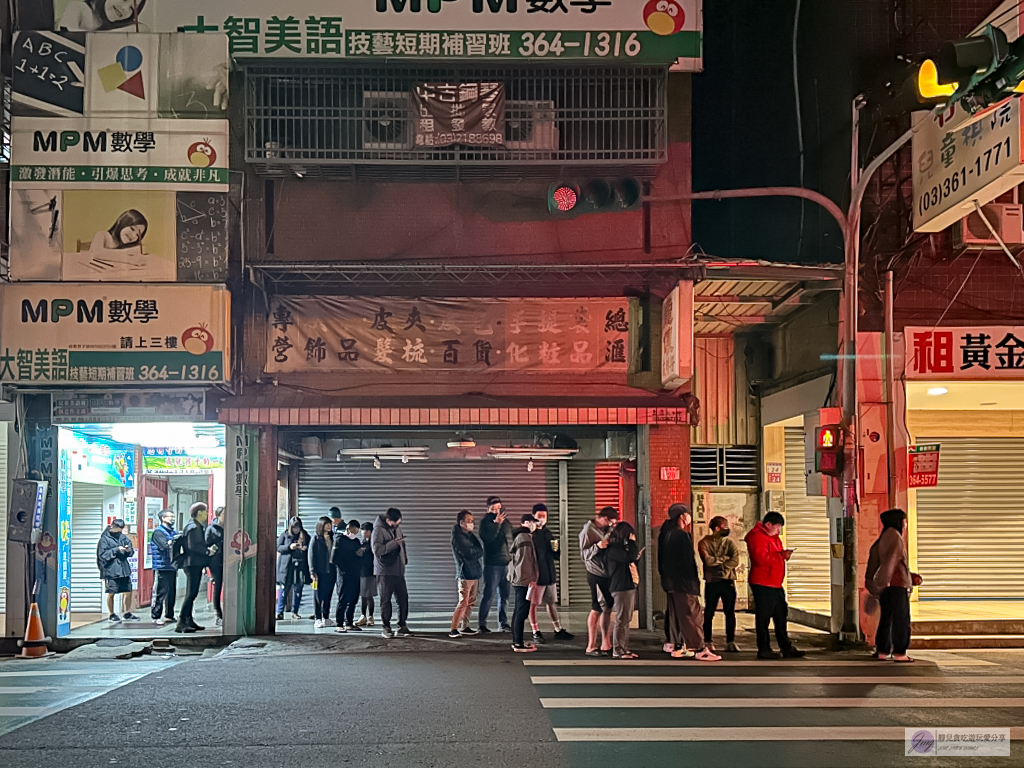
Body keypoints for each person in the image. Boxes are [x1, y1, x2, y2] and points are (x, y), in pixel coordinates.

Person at [659, 504, 720, 661]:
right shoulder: (681, 535)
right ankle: (699, 648)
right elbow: (687, 563)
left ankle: (678, 645)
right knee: (691, 614)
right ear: (681, 516)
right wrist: (693, 582)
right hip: (684, 583)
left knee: (676, 615)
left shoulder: (665, 534)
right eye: (687, 514)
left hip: (670, 583)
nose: (688, 517)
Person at [745, 511, 805, 660]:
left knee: (781, 615)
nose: (779, 531)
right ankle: (764, 648)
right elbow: (761, 559)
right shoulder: (757, 537)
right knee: (764, 617)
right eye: (777, 527)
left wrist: (783, 555)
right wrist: (780, 556)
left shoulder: (774, 538)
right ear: (768, 525)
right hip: (762, 582)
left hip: (775, 582)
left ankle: (786, 647)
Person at [867, 508, 922, 663]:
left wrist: (873, 582)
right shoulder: (895, 536)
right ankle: (899, 652)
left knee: (887, 619)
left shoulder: (884, 536)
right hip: (896, 585)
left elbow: (875, 559)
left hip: (887, 586)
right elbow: (891, 563)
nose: (905, 524)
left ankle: (883, 651)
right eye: (904, 520)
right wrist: (885, 582)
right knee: (901, 620)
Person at [529, 504, 573, 643]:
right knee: (533, 604)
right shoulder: (530, 534)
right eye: (539, 516)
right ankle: (535, 631)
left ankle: (558, 629)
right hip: (537, 575)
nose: (542, 519)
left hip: (550, 574)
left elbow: (555, 555)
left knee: (551, 603)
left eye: (544, 516)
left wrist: (556, 550)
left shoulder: (548, 533)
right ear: (533, 516)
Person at [698, 515, 741, 652]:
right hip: (712, 582)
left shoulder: (729, 543)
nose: (728, 529)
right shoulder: (704, 542)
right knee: (709, 612)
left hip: (728, 581)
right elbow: (708, 561)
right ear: (717, 528)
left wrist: (720, 564)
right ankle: (708, 641)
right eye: (725, 526)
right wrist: (724, 560)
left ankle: (730, 641)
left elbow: (735, 561)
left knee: (730, 612)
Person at [579, 506, 619, 656]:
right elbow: (583, 555)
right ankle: (590, 646)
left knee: (607, 607)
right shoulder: (587, 531)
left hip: (607, 573)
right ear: (602, 518)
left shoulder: (606, 530)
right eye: (609, 522)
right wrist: (597, 546)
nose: (610, 526)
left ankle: (605, 642)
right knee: (596, 608)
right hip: (595, 574)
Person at [372, 508, 410, 639]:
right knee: (385, 600)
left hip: (399, 570)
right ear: (388, 520)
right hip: (385, 571)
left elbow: (402, 545)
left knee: (403, 598)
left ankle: (402, 625)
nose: (398, 525)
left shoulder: (396, 528)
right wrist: (394, 543)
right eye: (395, 523)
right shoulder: (378, 530)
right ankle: (386, 627)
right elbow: (377, 550)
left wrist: (404, 559)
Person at [606, 521, 642, 659]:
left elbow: (630, 559)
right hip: (621, 587)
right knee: (622, 619)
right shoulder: (614, 549)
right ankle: (618, 650)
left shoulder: (619, 549)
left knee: (626, 619)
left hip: (627, 586)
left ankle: (623, 648)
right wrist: (632, 543)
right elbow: (629, 557)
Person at [175, 503, 212, 634]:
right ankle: (181, 622)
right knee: (191, 593)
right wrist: (208, 552)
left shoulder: (194, 525)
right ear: (199, 512)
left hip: (194, 563)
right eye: (205, 511)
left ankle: (188, 620)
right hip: (192, 563)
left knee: (192, 593)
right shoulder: (194, 527)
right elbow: (193, 546)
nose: (207, 514)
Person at [478, 496, 513, 633]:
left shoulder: (505, 522)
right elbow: (488, 539)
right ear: (488, 509)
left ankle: (503, 623)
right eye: (494, 509)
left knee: (504, 596)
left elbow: (510, 538)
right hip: (492, 564)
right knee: (489, 594)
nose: (497, 511)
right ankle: (482, 624)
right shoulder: (485, 522)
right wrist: (496, 523)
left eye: (499, 508)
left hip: (506, 562)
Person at [96, 518, 139, 623]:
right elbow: (102, 555)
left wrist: (128, 550)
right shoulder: (104, 539)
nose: (119, 531)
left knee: (128, 591)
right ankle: (111, 614)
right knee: (111, 592)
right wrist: (116, 549)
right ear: (112, 527)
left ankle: (127, 612)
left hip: (124, 568)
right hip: (111, 569)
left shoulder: (123, 538)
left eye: (121, 529)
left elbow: (131, 551)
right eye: (118, 529)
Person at [449, 510, 484, 638]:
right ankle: (454, 628)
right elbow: (469, 552)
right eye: (469, 521)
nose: (471, 523)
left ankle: (465, 626)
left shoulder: (469, 535)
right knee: (463, 601)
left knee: (471, 601)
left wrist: (477, 551)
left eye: (472, 521)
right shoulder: (457, 537)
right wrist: (477, 551)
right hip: (465, 573)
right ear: (461, 522)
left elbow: (479, 549)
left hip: (475, 572)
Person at [508, 514, 540, 653]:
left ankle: (517, 640)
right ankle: (518, 643)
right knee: (522, 611)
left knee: (518, 610)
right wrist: (530, 580)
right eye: (533, 522)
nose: (535, 525)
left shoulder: (521, 537)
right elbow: (524, 562)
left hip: (520, 579)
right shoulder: (525, 538)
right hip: (523, 580)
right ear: (526, 523)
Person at [276, 516, 311, 620]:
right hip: (287, 567)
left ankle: (295, 611)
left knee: (298, 589)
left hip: (300, 566)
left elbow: (310, 548)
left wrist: (304, 548)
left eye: (298, 527)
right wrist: (289, 547)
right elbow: (278, 547)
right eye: (294, 527)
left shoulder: (305, 536)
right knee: (284, 589)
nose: (296, 530)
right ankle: (279, 612)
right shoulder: (285, 535)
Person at [332, 519, 364, 632]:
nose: (354, 533)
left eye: (356, 531)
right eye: (353, 530)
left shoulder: (356, 541)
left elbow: (359, 557)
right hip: (344, 574)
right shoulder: (340, 540)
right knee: (343, 599)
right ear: (348, 528)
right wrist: (351, 556)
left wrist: (360, 555)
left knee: (353, 598)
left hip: (355, 574)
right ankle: (339, 623)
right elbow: (335, 558)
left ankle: (349, 622)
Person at [148, 510, 178, 626]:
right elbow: (164, 546)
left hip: (172, 566)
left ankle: (169, 615)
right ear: (163, 518)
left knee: (171, 592)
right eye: (170, 516)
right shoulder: (158, 532)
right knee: (160, 592)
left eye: (173, 516)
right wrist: (174, 541)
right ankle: (156, 616)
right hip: (161, 566)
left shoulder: (173, 531)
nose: (172, 518)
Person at [310, 516, 336, 629]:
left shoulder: (333, 538)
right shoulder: (316, 539)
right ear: (321, 526)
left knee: (328, 595)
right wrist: (312, 571)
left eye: (330, 524)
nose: (329, 526)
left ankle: (326, 617)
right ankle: (318, 618)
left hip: (331, 570)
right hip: (319, 571)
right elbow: (311, 556)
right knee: (318, 595)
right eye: (326, 524)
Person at [59, 0, 148, 31]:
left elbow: (143, 29)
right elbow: (63, 42)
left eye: (132, 9)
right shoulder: (77, 8)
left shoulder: (122, 27)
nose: (125, 8)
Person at [355, 522, 376, 627]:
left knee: (369, 595)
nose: (364, 532)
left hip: (370, 572)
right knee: (363, 595)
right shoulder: (361, 543)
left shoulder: (373, 543)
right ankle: (363, 616)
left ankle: (370, 616)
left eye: (366, 530)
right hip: (361, 572)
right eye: (363, 530)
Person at [206, 507, 225, 627]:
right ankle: (219, 615)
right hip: (216, 562)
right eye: (224, 514)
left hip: (229, 560)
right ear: (218, 515)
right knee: (218, 588)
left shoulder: (230, 526)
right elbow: (206, 545)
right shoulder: (211, 528)